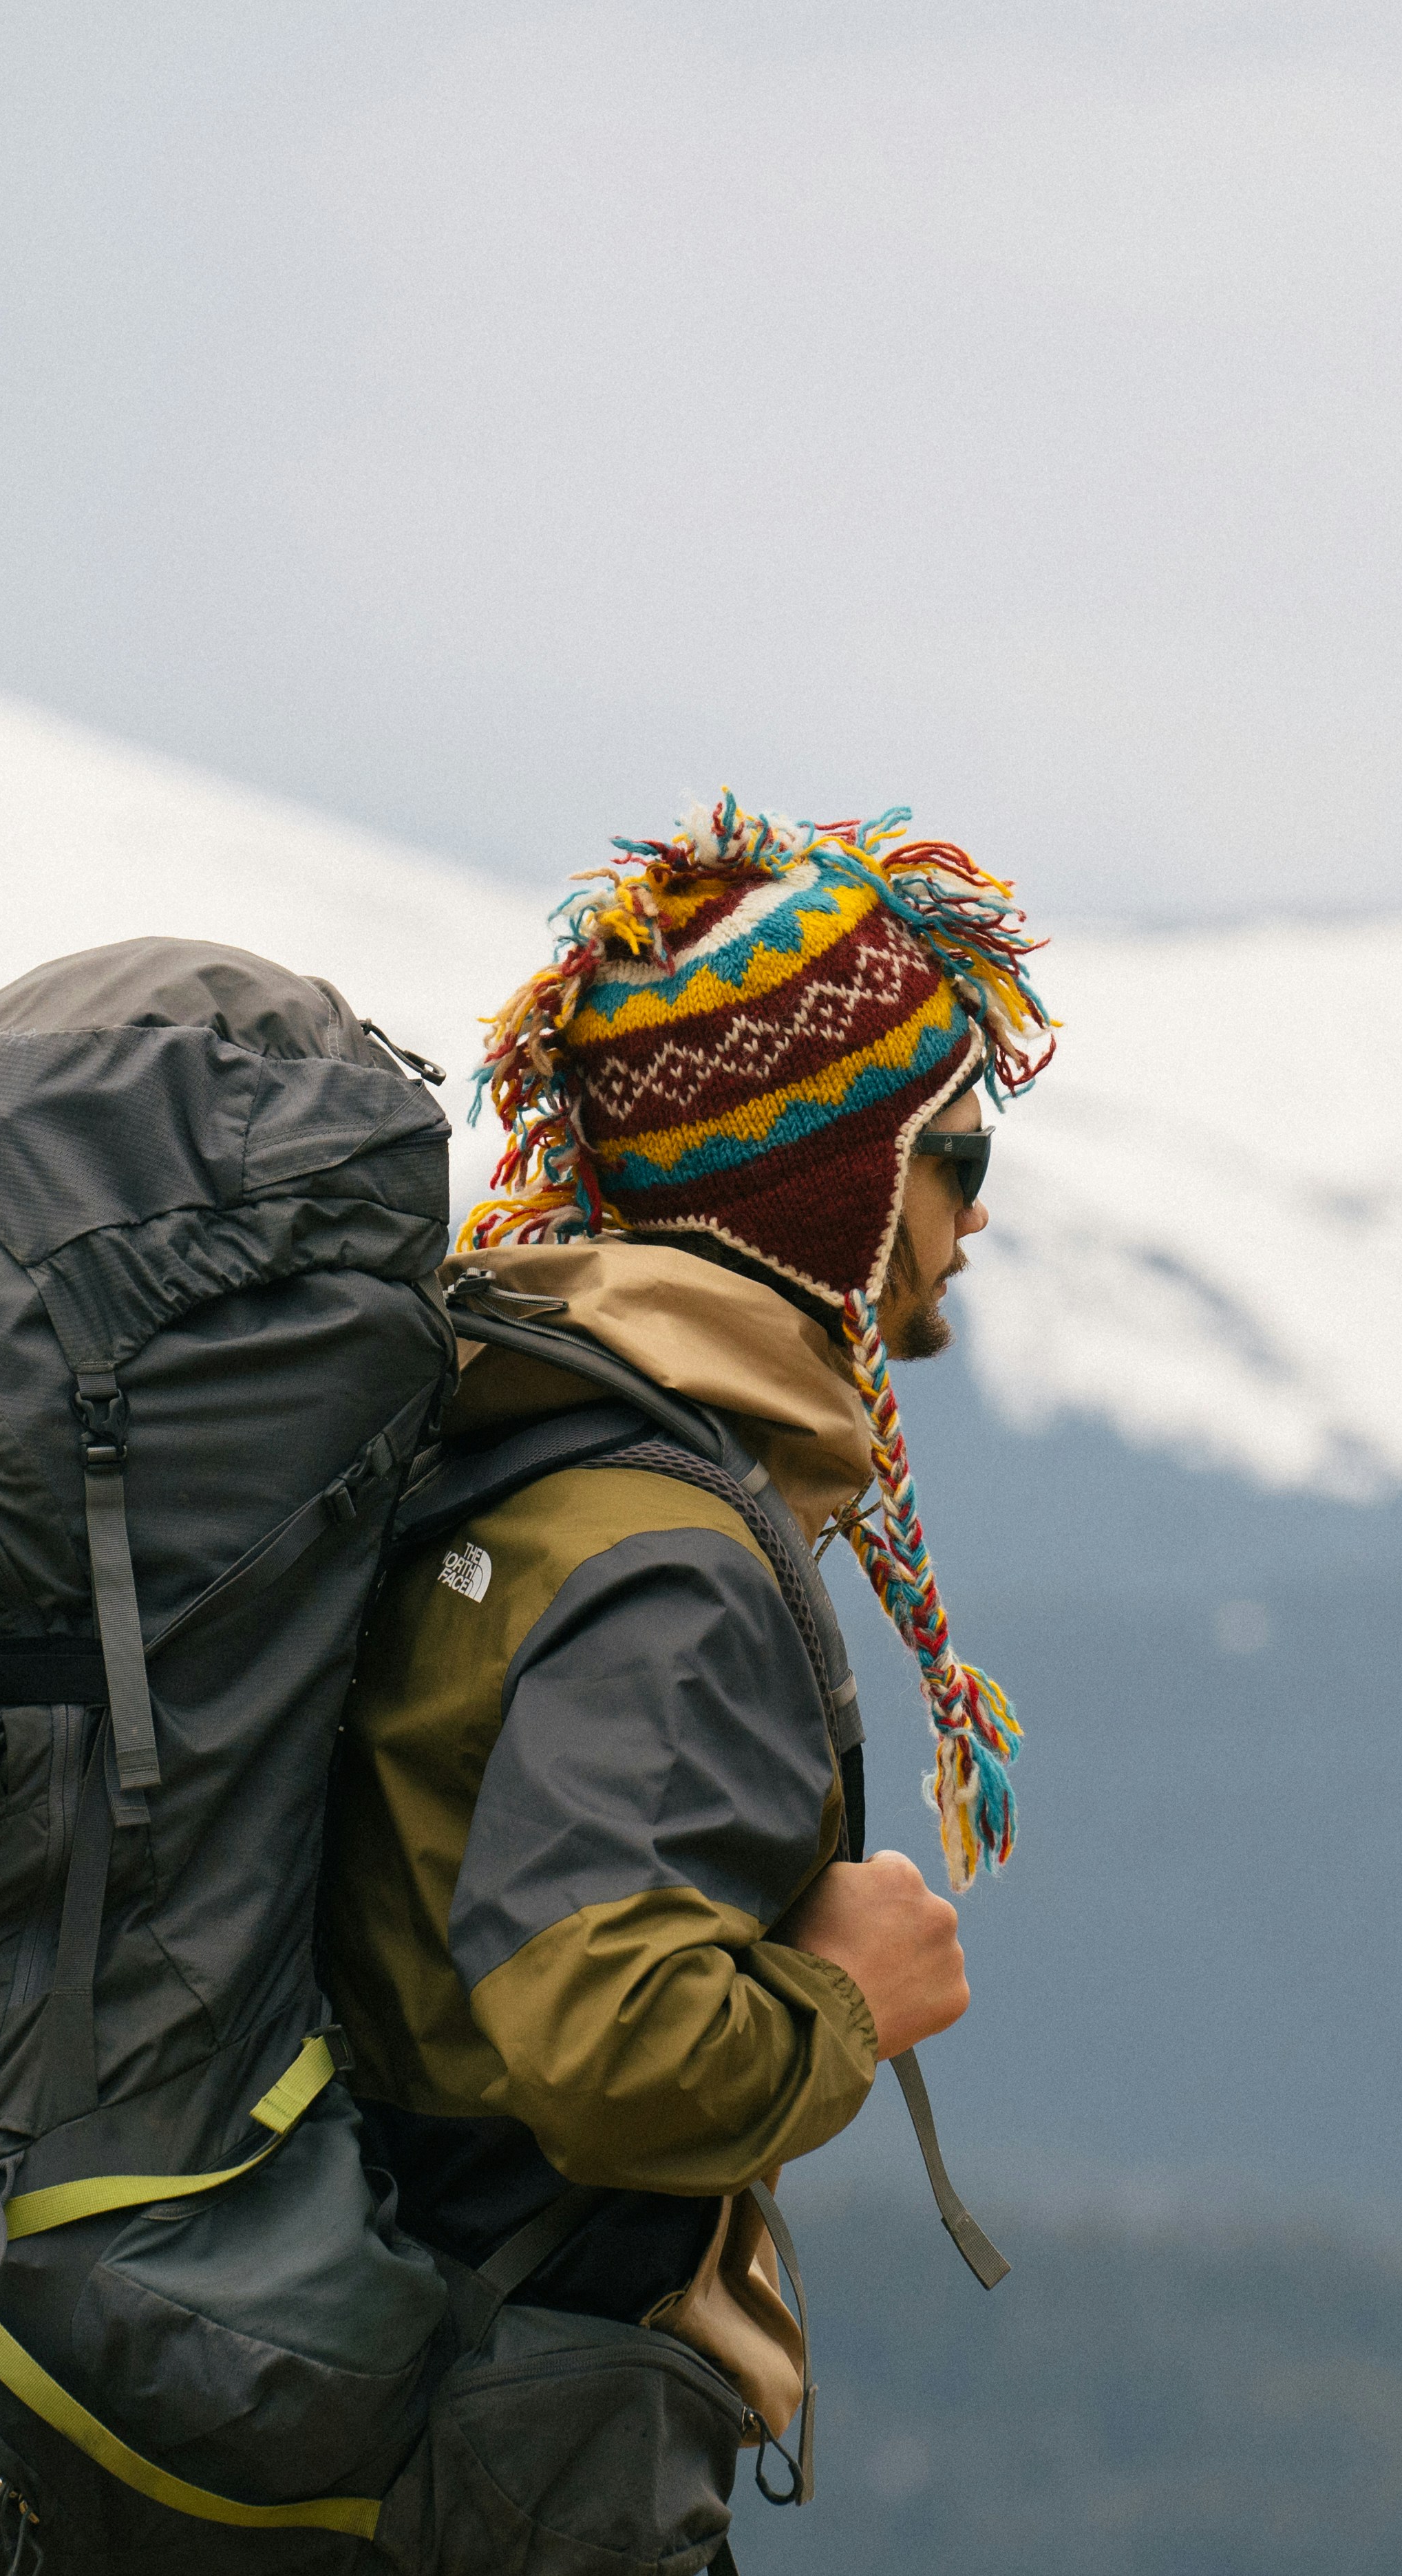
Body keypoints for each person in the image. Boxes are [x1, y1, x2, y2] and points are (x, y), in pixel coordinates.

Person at [321, 796, 1052, 2423]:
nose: (978, 1212)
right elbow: (607, 2048)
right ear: (835, 1184)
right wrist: (848, 1999)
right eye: (960, 1154)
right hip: (483, 2440)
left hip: (373, 2372)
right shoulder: (671, 1559)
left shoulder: (523, 1442)